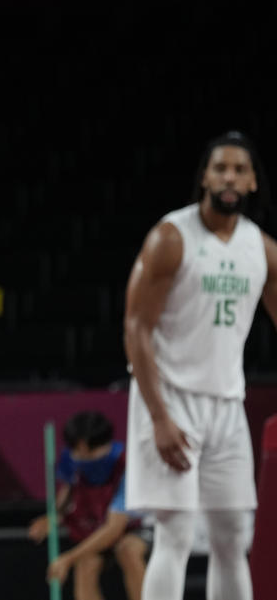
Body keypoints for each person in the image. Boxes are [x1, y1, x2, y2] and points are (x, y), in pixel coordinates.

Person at [123, 130, 273, 600]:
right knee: (176, 535)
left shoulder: (262, 248)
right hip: (169, 399)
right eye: (220, 168)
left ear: (252, 183)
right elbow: (135, 329)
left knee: (233, 539)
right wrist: (160, 417)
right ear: (205, 177)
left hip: (227, 405)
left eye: (240, 170)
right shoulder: (171, 237)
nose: (229, 177)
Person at [29, 411, 149, 600]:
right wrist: (52, 518)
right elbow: (67, 493)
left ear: (83, 445)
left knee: (128, 551)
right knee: (85, 563)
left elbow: (114, 529)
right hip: (95, 527)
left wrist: (68, 559)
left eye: (78, 449)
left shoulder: (126, 465)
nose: (76, 454)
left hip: (132, 529)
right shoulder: (70, 458)